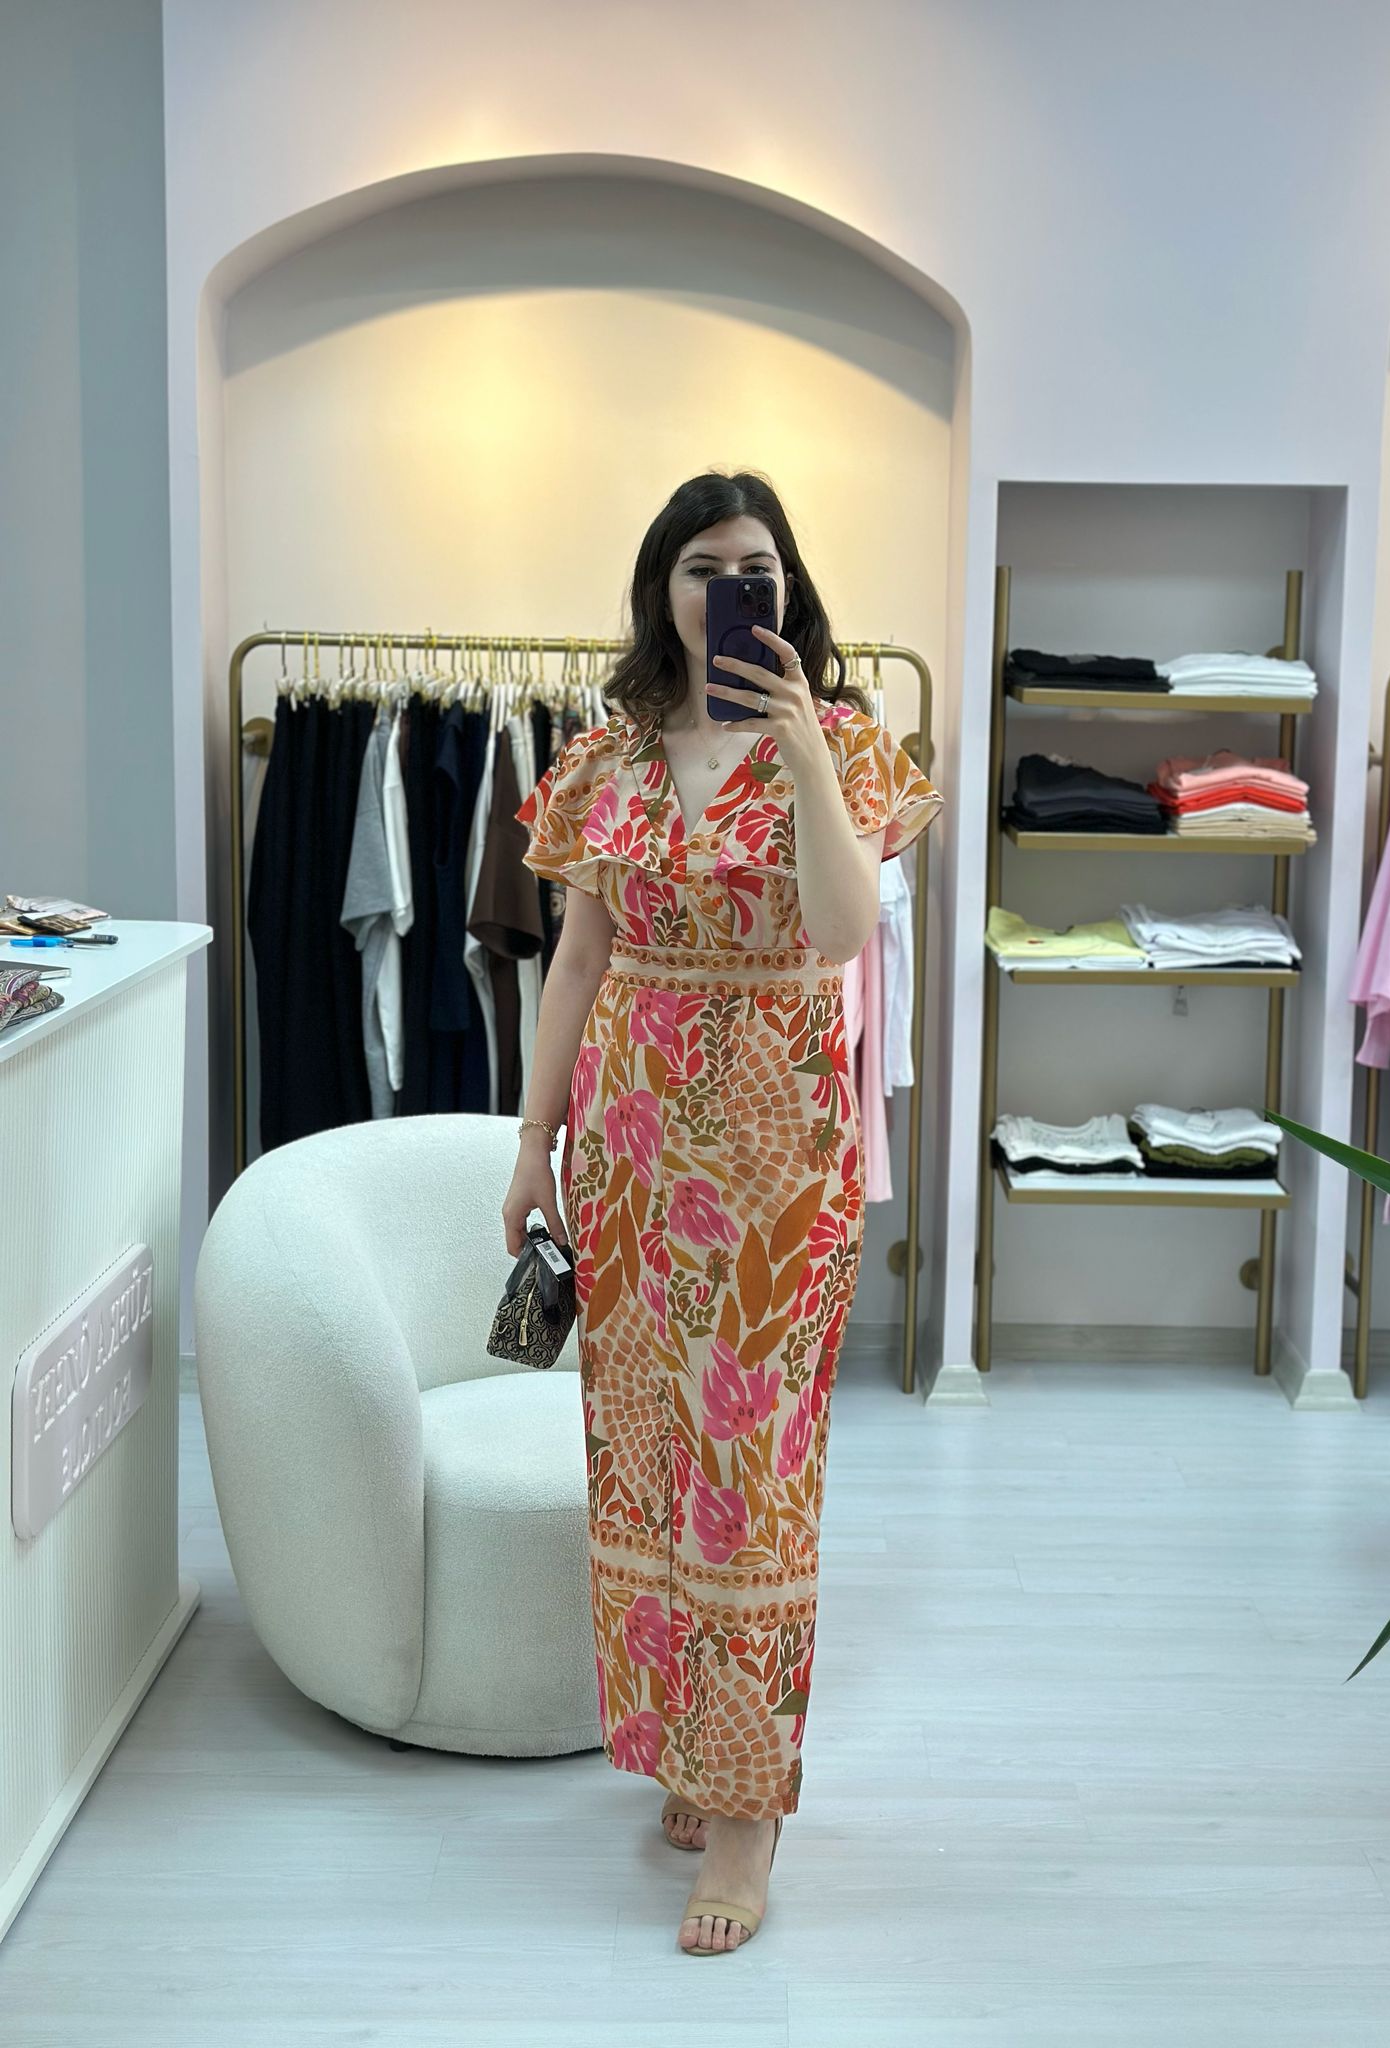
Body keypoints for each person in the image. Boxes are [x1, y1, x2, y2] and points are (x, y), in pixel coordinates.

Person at [503, 469, 944, 1955]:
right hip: (629, 1153)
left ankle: (749, 1818)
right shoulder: (609, 755)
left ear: (788, 587)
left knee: (752, 1471)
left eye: (755, 565)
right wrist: (534, 1147)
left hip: (775, 1163)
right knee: (644, 1455)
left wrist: (806, 753)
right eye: (702, 566)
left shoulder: (852, 746)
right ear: (664, 591)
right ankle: (688, 1751)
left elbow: (839, 931)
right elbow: (574, 964)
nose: (728, 588)